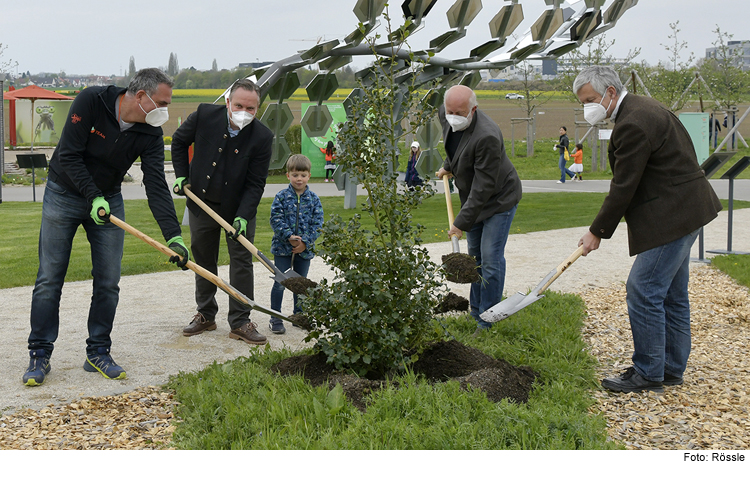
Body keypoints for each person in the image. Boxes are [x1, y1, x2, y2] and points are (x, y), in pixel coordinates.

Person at [24, 68, 189, 387]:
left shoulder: (151, 132)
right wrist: (93, 196)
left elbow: (155, 183)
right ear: (141, 97)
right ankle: (39, 354)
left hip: (108, 199)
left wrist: (174, 237)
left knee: (109, 281)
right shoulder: (91, 100)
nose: (165, 111)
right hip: (63, 193)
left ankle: (98, 351)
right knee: (49, 277)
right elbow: (70, 157)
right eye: (162, 103)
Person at [573, 65, 722, 393]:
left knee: (643, 290)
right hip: (688, 209)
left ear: (611, 92)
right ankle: (670, 369)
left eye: (591, 99)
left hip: (673, 216)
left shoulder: (634, 122)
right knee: (671, 293)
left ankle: (648, 372)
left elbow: (624, 185)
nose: (588, 108)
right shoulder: (644, 106)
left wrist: (597, 231)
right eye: (583, 102)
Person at [171, 78, 273, 346]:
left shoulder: (262, 137)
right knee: (204, 259)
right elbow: (179, 142)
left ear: (257, 109)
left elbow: (255, 183)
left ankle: (240, 321)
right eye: (238, 105)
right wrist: (182, 175)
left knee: (241, 263)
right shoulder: (205, 114)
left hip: (238, 210)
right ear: (228, 102)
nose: (244, 112)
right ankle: (206, 314)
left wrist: (242, 215)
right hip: (201, 202)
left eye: (251, 108)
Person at [436, 85, 522, 336]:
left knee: (490, 259)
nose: (453, 116)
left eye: (459, 112)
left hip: (498, 199)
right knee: (474, 259)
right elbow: (454, 144)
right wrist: (448, 165)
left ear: (473, 109)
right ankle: (476, 310)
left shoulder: (487, 136)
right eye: (450, 110)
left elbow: (483, 189)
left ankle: (489, 319)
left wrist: (460, 223)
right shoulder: (446, 113)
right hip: (474, 199)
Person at [269, 154, 324, 334]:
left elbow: (318, 223)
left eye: (302, 175)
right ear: (288, 176)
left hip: (304, 251)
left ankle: (298, 315)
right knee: (280, 282)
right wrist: (288, 236)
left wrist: (305, 242)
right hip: (282, 248)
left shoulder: (314, 199)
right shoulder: (282, 197)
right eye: (295, 175)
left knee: (300, 284)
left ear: (309, 175)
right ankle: (275, 317)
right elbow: (275, 219)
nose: (298, 179)